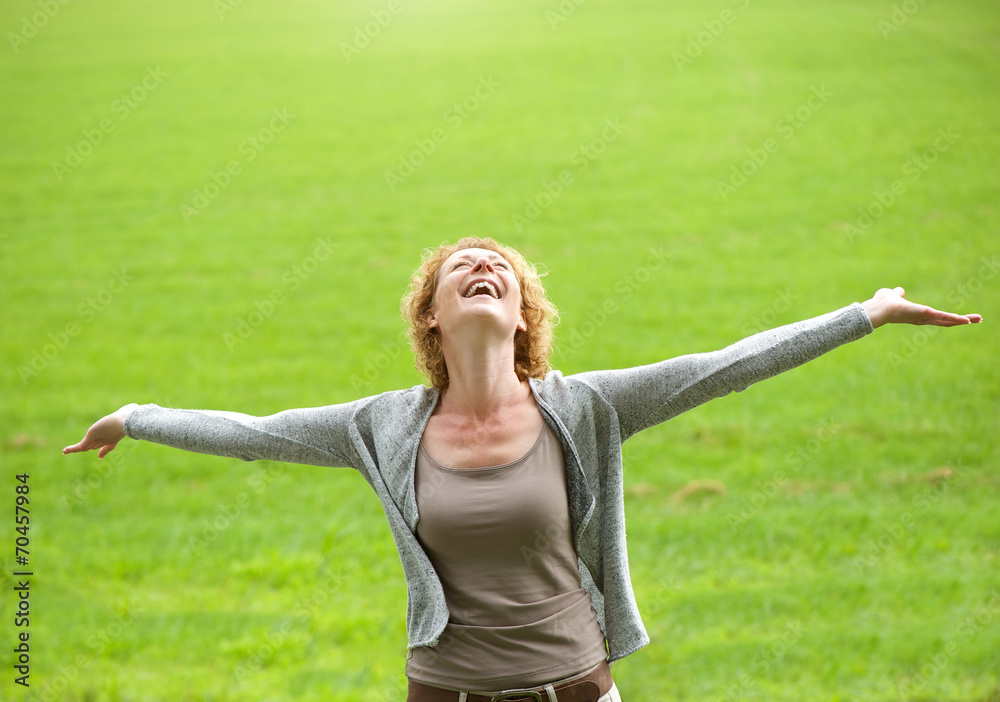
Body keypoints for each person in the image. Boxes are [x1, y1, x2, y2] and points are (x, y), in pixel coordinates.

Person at [64, 237, 981, 702]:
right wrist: (136, 418)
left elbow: (727, 364)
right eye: (459, 266)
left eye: (498, 266)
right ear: (430, 317)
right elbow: (254, 431)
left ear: (520, 313)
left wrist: (865, 314)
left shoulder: (587, 408)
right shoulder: (378, 427)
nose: (480, 265)